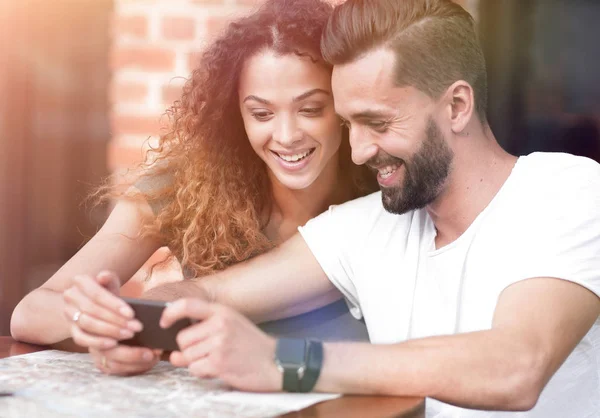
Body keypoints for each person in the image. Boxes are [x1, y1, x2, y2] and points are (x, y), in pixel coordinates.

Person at [18, 0, 600, 416]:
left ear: (456, 106)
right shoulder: (366, 226)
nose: (358, 150)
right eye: (349, 124)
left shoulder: (566, 190)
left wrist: (281, 360)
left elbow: (515, 368)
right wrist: (122, 324)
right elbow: (206, 294)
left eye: (377, 122)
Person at [10, 0, 377, 373]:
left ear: (344, 102)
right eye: (261, 113)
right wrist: (101, 328)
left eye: (311, 109)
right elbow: (31, 313)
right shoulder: (188, 186)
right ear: (236, 114)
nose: (286, 136)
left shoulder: (383, 192)